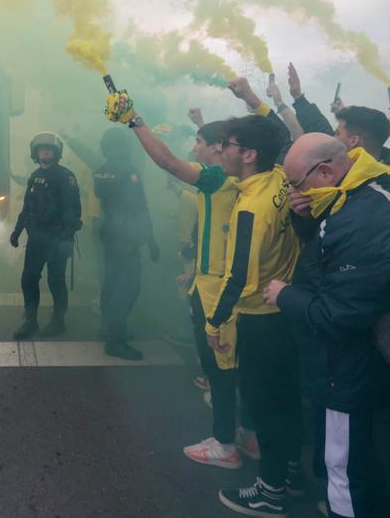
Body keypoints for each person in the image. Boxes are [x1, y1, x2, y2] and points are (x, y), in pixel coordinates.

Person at [266, 133, 390, 518]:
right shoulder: (351, 198)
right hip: (352, 366)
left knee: (343, 474)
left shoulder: (371, 216)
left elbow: (341, 313)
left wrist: (285, 295)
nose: (293, 192)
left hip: (351, 369)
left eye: (296, 184)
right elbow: (329, 259)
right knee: (360, 467)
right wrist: (306, 218)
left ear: (325, 171)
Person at [113, 90, 258, 475]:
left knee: (220, 369)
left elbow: (168, 163)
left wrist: (135, 121)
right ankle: (247, 431)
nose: (192, 147)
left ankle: (225, 442)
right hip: (222, 281)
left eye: (199, 141)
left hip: (218, 293)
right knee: (237, 367)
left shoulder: (218, 179)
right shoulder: (251, 178)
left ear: (217, 149)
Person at [206, 114, 303, 517]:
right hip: (287, 310)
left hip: (261, 319)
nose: (218, 150)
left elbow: (240, 278)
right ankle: (291, 472)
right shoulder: (281, 177)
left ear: (248, 154)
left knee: (265, 409)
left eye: (225, 145)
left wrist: (215, 321)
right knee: (287, 401)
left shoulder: (252, 207)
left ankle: (270, 491)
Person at [92, 127, 159, 360]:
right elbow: (138, 205)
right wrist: (150, 239)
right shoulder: (129, 169)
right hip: (125, 235)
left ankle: (107, 327)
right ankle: (115, 339)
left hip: (107, 231)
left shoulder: (101, 171)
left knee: (110, 283)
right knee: (129, 288)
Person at [9, 132, 82, 340]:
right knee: (28, 279)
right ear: (36, 152)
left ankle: (58, 322)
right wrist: (17, 231)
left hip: (57, 240)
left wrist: (65, 236)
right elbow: (27, 207)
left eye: (49, 149)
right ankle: (30, 321)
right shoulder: (34, 176)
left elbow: (73, 211)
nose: (45, 152)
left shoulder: (66, 176)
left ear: (56, 153)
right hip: (36, 239)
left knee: (56, 281)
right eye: (41, 149)